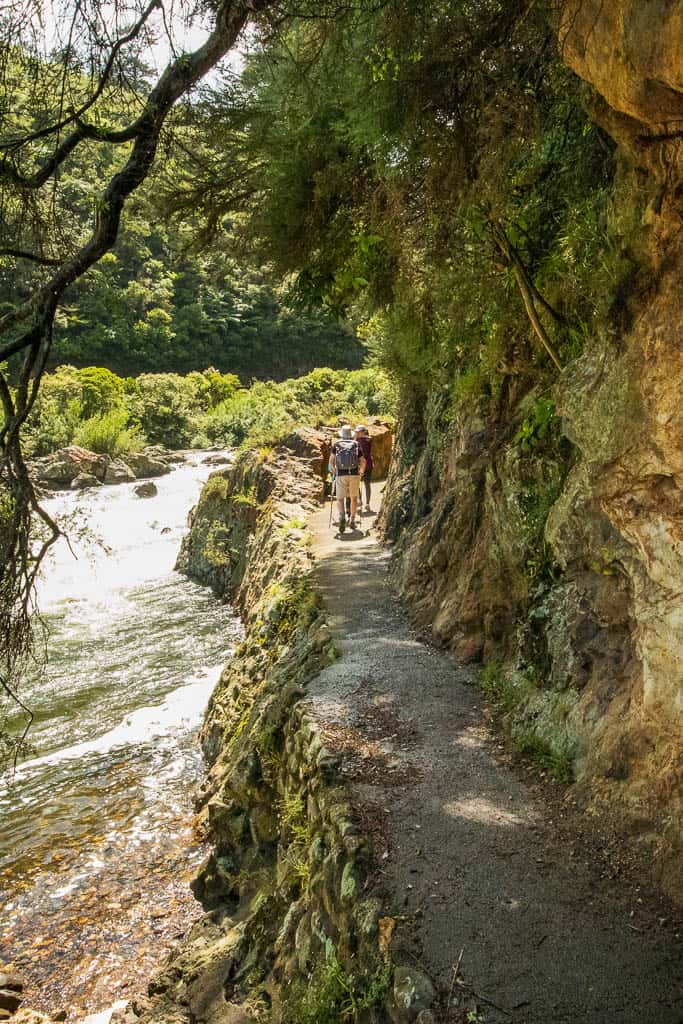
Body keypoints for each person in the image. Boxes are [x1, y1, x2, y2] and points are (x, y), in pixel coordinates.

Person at [330, 424, 365, 533]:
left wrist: (335, 472)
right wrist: (361, 471)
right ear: (351, 434)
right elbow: (363, 461)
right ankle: (352, 520)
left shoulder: (336, 445)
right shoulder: (356, 444)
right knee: (354, 498)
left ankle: (342, 517)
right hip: (354, 474)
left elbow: (331, 462)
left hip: (341, 474)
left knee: (340, 498)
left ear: (342, 435)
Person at [354, 424, 373, 512]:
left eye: (358, 432)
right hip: (369, 463)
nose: (357, 433)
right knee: (367, 484)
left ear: (363, 432)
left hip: (360, 464)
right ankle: (367, 504)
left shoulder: (358, 441)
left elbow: (358, 453)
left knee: (357, 483)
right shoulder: (369, 439)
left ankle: (360, 501)